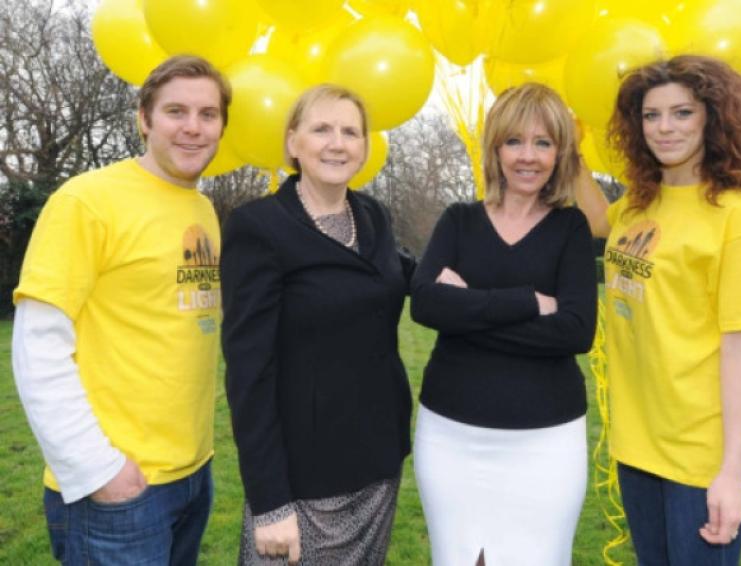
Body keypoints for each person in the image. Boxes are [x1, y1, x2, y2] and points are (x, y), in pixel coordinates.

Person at [11, 55, 230, 565]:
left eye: (208, 114)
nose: (193, 128)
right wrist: (96, 468)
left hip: (193, 476)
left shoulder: (201, 208)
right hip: (118, 490)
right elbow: (37, 344)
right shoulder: (87, 201)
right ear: (144, 118)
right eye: (176, 111)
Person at [576, 55, 741, 565]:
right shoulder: (639, 204)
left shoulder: (736, 216)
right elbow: (599, 224)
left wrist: (730, 473)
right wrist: (572, 153)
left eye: (682, 113)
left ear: (713, 118)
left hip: (701, 453)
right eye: (651, 115)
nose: (664, 127)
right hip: (638, 441)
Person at [221, 84, 413, 566]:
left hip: (377, 466)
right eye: (321, 128)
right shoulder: (258, 228)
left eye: (351, 132)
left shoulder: (373, 216)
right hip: (302, 482)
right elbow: (249, 373)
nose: (337, 142)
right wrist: (269, 503)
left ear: (365, 147)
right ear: (292, 142)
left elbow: (396, 276)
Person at [410, 83, 597, 565]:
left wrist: (467, 309)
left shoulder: (571, 227)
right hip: (450, 435)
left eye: (543, 143)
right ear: (495, 148)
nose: (528, 157)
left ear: (560, 153)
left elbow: (576, 331)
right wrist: (529, 302)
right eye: (514, 141)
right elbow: (426, 305)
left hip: (545, 441)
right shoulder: (458, 220)